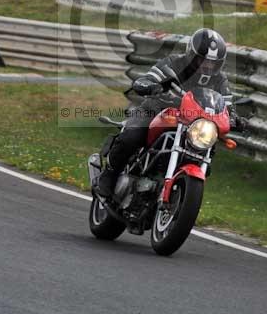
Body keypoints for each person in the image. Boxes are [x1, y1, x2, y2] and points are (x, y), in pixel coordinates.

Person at [97, 28, 243, 196]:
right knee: (132, 137)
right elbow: (150, 77)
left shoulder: (219, 80)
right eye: (203, 60)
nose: (207, 66)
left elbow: (226, 104)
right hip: (156, 111)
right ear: (192, 55)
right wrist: (148, 84)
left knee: (207, 148)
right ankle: (109, 174)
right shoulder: (173, 63)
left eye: (213, 63)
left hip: (192, 124)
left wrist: (235, 118)